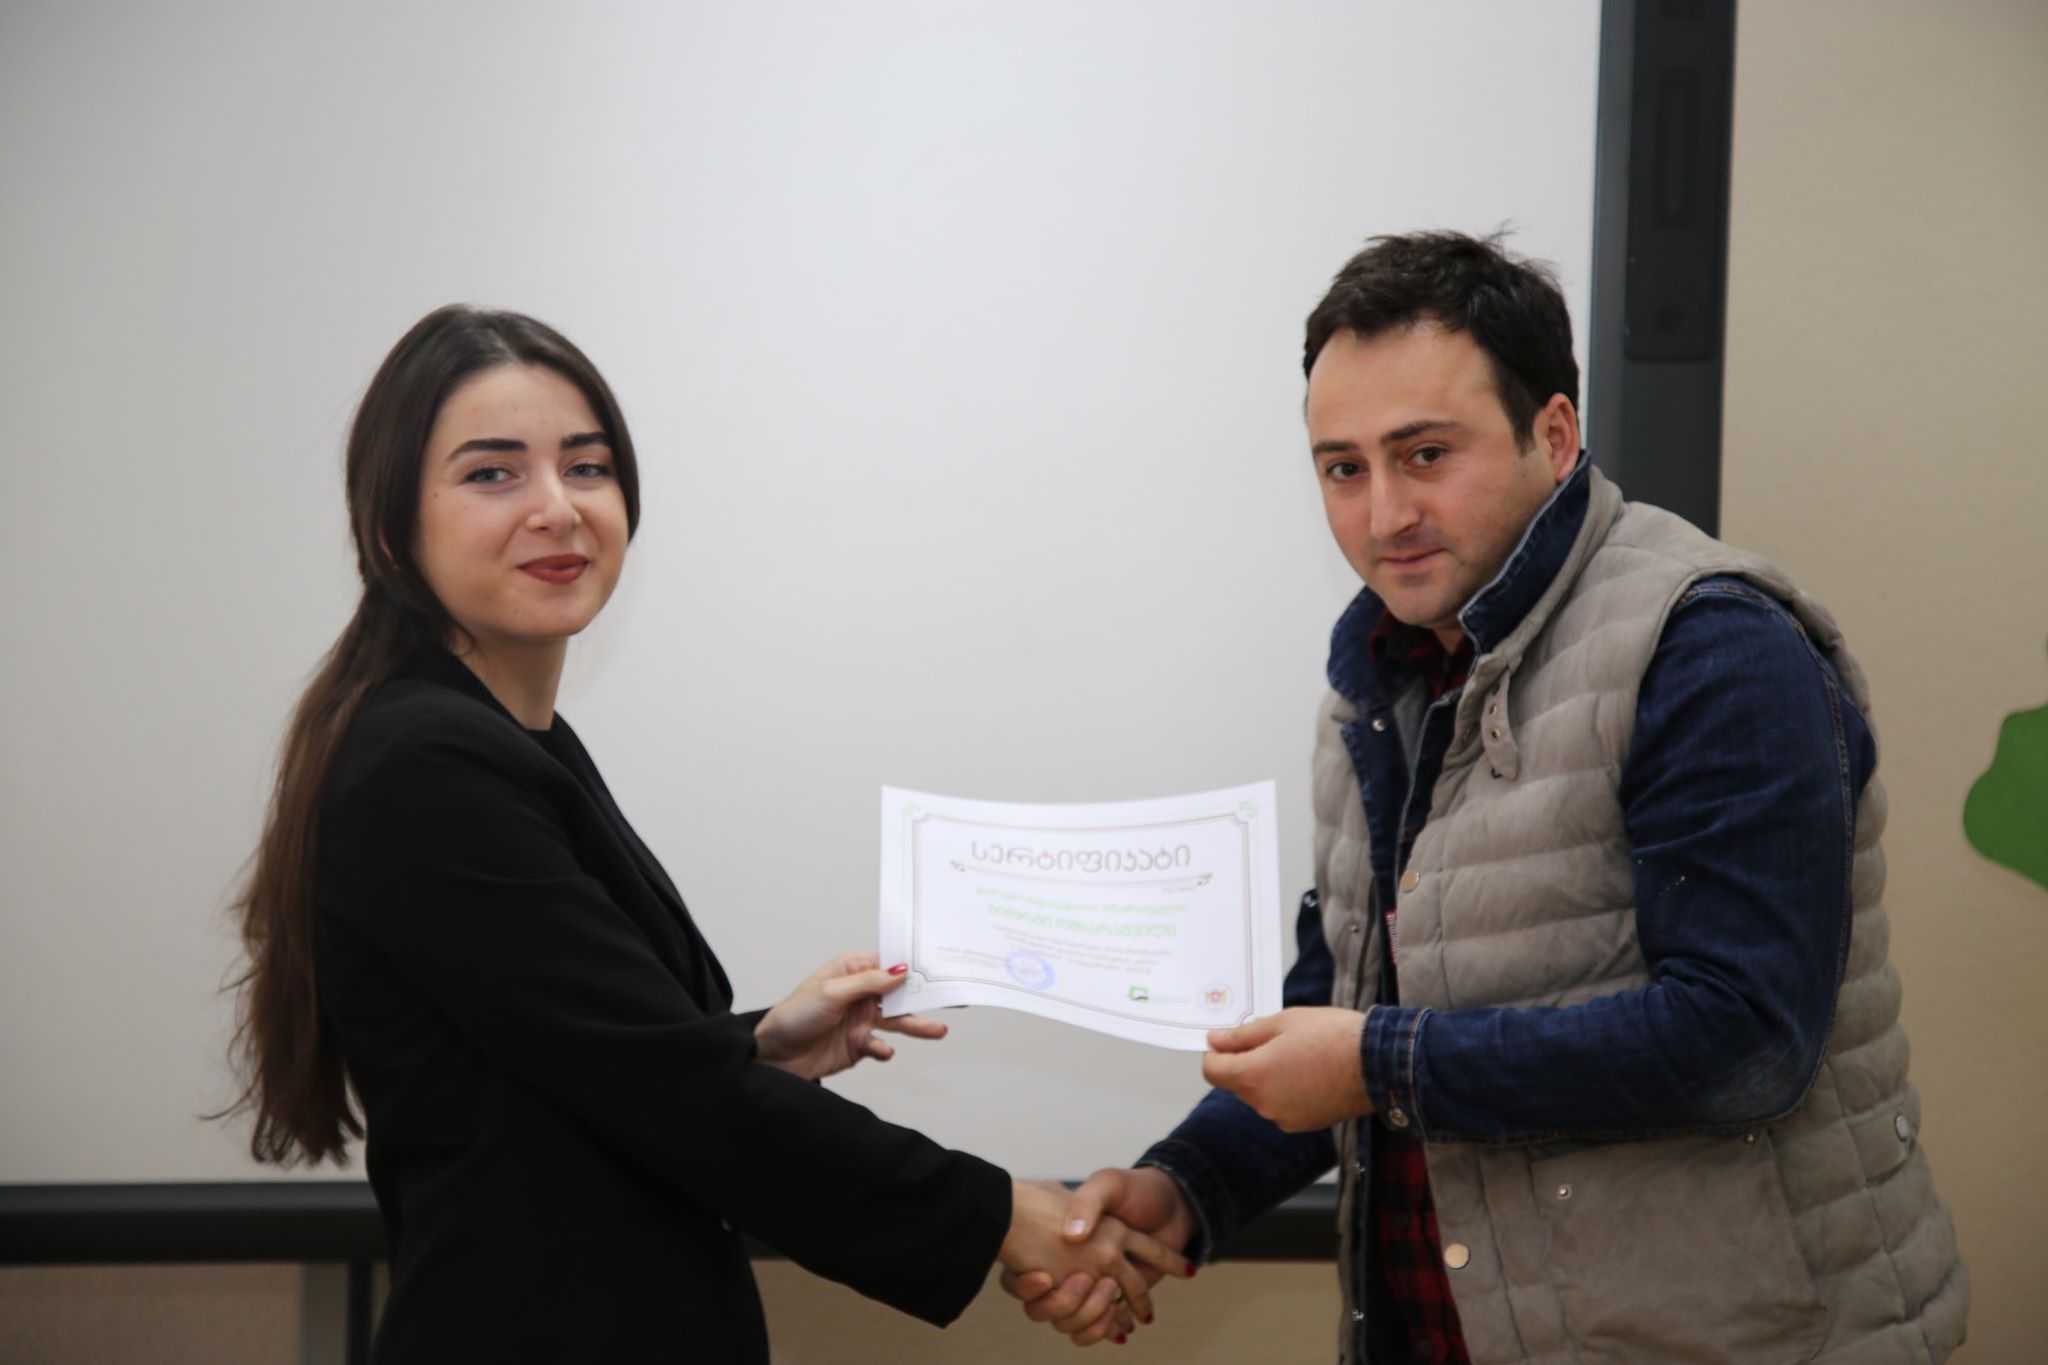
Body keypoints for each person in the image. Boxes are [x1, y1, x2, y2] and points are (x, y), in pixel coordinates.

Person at [1008, 231, 1969, 1363]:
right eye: (1342, 469)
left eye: (1425, 454)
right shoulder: (1378, 680)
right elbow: (1348, 997)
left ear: (1552, 436)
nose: (1383, 516)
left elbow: (1742, 1041)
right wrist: (1185, 1186)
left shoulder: (1710, 647)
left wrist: (1375, 1065)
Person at [220, 305, 1187, 1363]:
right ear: (389, 526)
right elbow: (665, 1096)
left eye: (586, 467)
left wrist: (760, 1043)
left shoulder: (504, 738)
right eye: (492, 473)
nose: (557, 508)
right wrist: (1004, 1215)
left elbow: (578, 1061)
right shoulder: (427, 762)